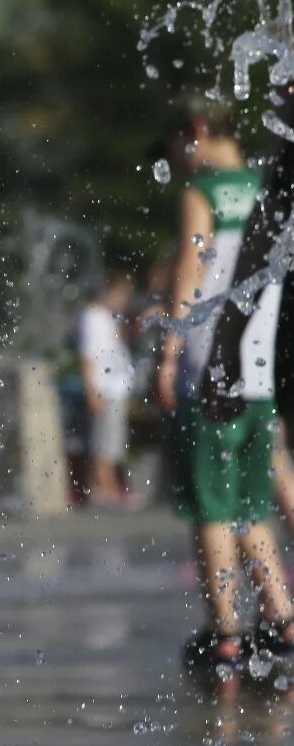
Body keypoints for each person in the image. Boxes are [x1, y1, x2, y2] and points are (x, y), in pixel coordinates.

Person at [154, 98, 294, 678]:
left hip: (210, 370)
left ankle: (227, 633)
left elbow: (190, 276)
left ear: (197, 131)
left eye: (174, 144)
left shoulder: (203, 194)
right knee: (251, 501)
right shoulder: (271, 186)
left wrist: (166, 353)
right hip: (259, 370)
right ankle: (282, 619)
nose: (174, 157)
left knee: (211, 507)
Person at [76, 270, 137, 506]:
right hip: (105, 389)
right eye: (121, 295)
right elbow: (88, 357)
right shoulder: (94, 317)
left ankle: (105, 486)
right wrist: (91, 391)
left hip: (115, 388)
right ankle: (104, 488)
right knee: (105, 441)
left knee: (111, 440)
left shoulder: (107, 317)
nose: (124, 302)